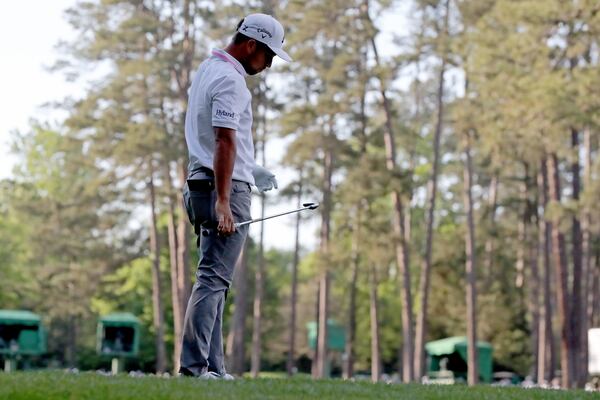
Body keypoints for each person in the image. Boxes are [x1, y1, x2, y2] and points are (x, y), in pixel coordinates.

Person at [179, 13, 291, 380]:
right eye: (269, 55)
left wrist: (250, 166)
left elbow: (217, 138)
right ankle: (195, 369)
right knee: (212, 278)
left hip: (201, 181)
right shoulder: (231, 79)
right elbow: (225, 139)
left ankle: (213, 368)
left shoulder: (207, 70)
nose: (270, 63)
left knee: (216, 278)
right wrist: (225, 200)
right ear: (251, 45)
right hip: (220, 188)